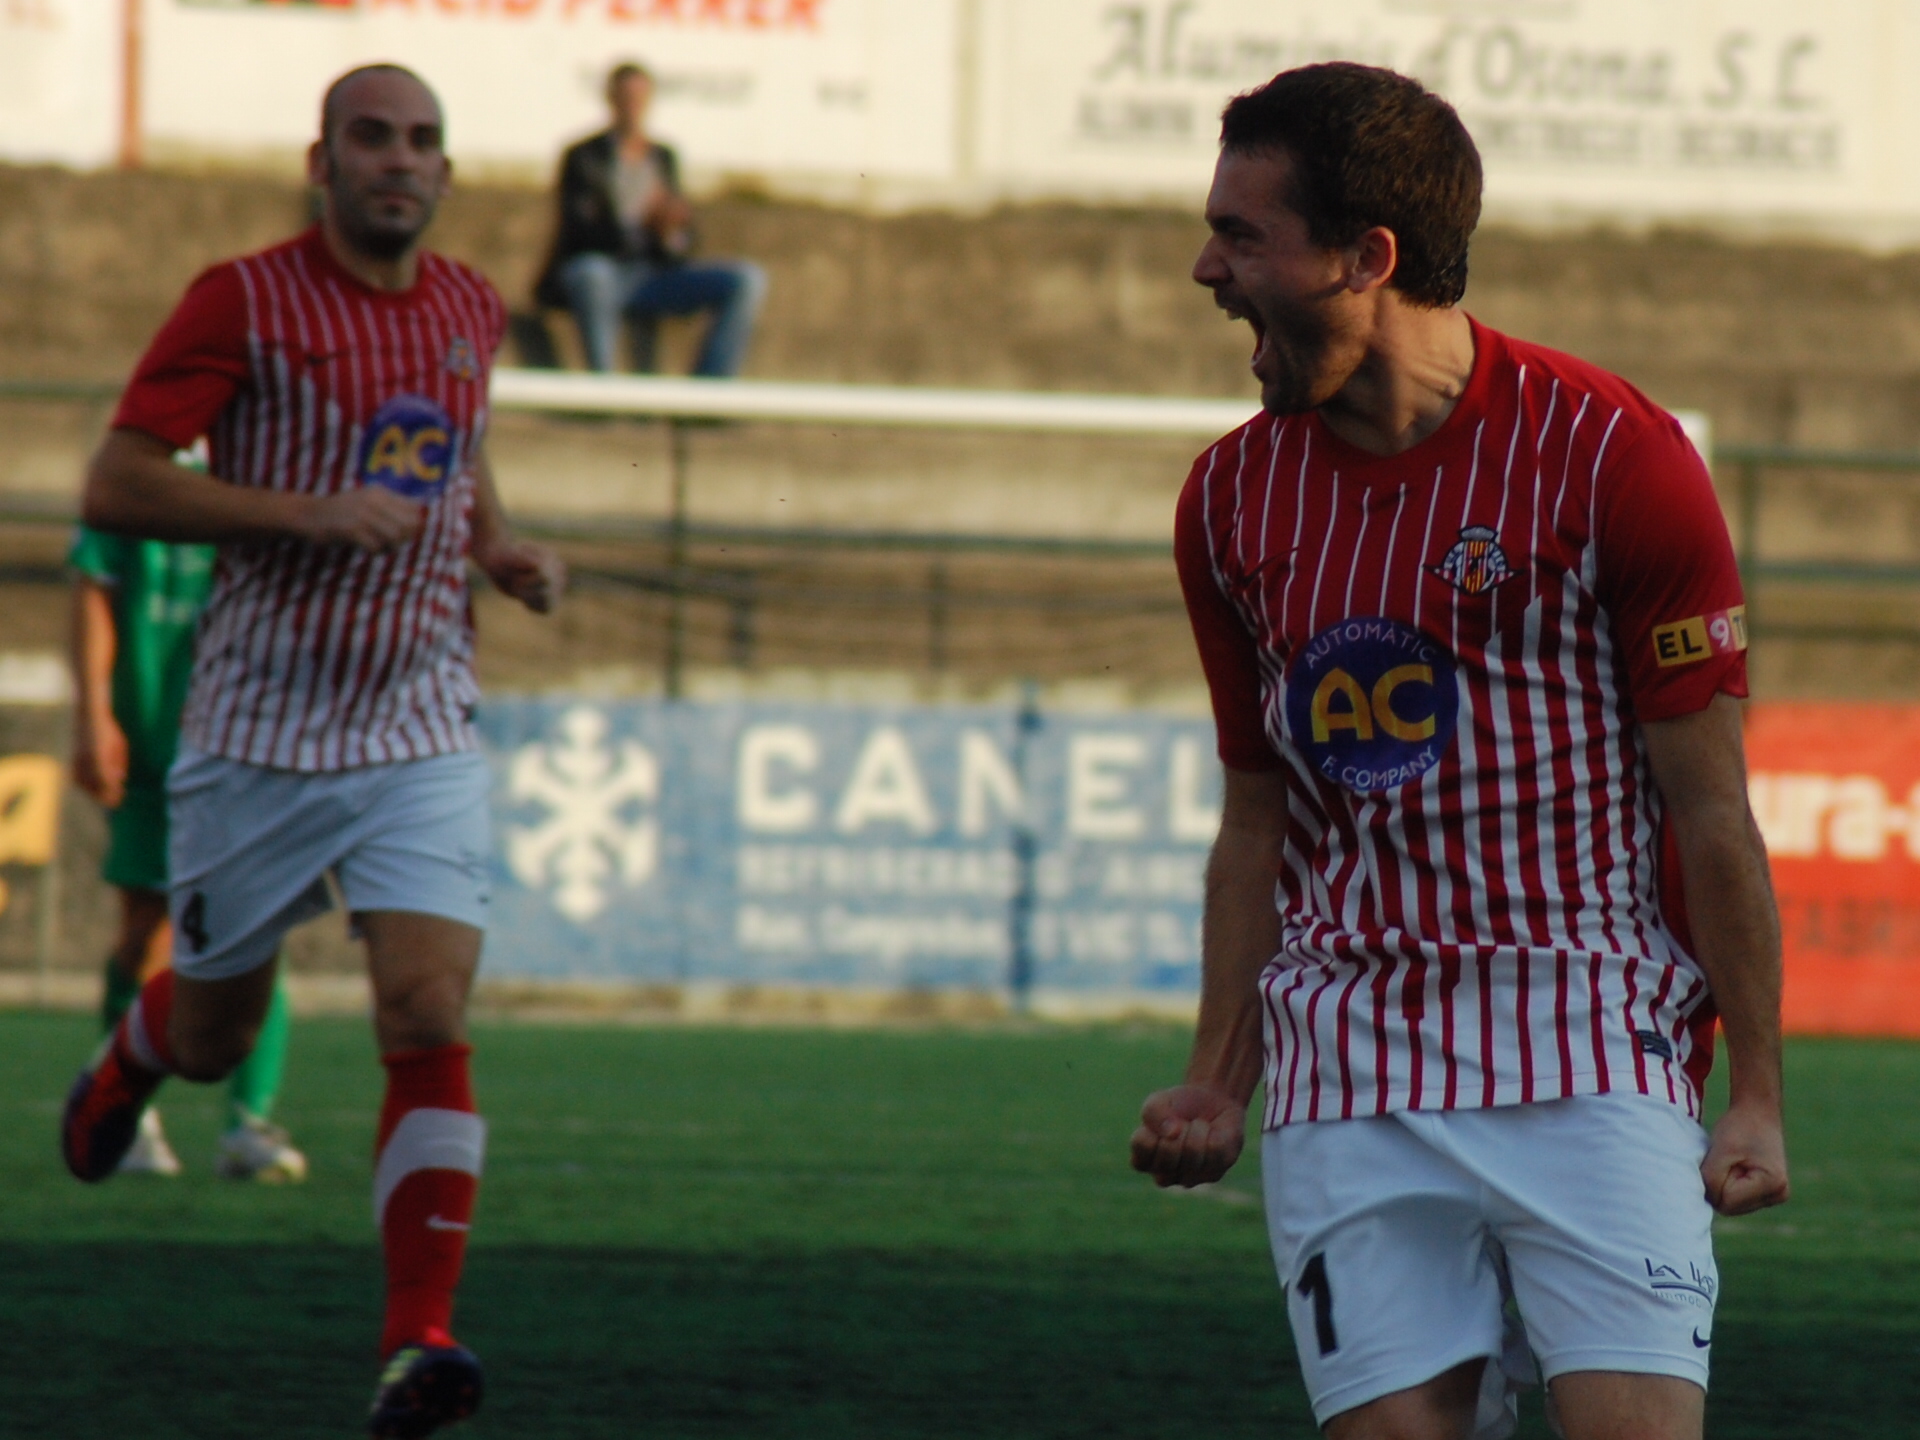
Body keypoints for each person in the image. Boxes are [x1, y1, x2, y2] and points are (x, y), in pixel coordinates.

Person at [1129, 63, 1789, 1440]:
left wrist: (1758, 1098)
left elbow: (1712, 813)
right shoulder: (1229, 499)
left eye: (1244, 236)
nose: (1207, 268)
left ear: (1368, 257)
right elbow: (1258, 825)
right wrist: (1215, 1076)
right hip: (1349, 1077)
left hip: (1594, 1052)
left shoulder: (1614, 453)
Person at [61, 63, 565, 1439]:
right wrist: (299, 513)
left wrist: (495, 543)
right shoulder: (243, 299)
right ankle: (135, 1058)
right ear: (322, 161)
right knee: (218, 1032)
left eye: (422, 141)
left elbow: (456, 462)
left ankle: (420, 1346)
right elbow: (115, 481)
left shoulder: (469, 306)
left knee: (427, 1013)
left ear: (446, 171)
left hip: (417, 723)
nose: (398, 160)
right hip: (259, 737)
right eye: (371, 137)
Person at [70, 508, 308, 1183]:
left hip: (245, 745)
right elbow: (92, 589)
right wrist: (92, 714)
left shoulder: (264, 462)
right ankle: (130, 1111)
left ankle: (249, 1123)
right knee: (145, 934)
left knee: (257, 924)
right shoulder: (134, 472)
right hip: (150, 742)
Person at [534, 60, 766, 377]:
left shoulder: (663, 157)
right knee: (591, 274)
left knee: (746, 280)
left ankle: (708, 395)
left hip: (653, 275)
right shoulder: (584, 156)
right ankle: (602, 389)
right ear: (610, 99)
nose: (632, 107)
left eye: (639, 98)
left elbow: (684, 241)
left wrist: (669, 233)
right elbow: (578, 230)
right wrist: (637, 223)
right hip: (606, 270)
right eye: (625, 97)